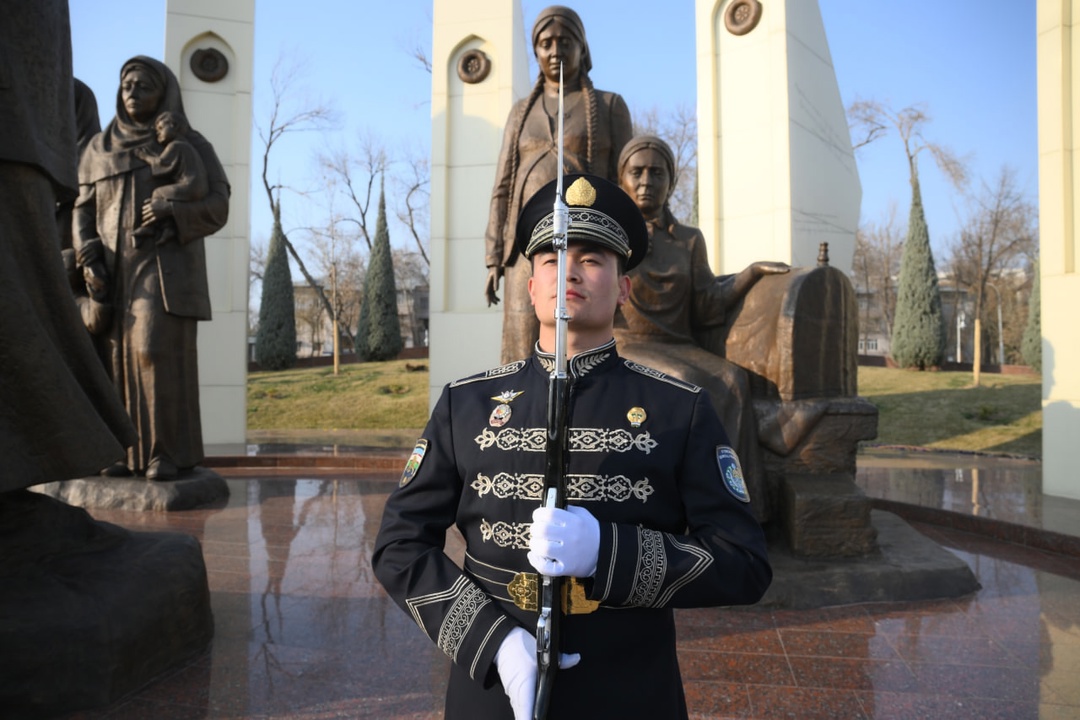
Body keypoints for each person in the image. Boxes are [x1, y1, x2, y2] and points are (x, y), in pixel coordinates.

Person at [374, 173, 772, 720]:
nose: (569, 271)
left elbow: (744, 562)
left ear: (623, 288)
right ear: (531, 285)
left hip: (628, 690)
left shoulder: (681, 410)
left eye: (592, 259)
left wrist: (608, 553)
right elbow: (398, 546)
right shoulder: (464, 405)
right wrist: (493, 645)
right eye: (551, 259)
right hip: (493, 691)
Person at [614, 135, 790, 520]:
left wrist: (751, 273)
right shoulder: (612, 234)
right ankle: (693, 508)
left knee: (731, 380)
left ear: (671, 183)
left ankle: (741, 507)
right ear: (621, 179)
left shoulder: (690, 240)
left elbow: (707, 304)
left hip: (678, 342)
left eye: (657, 173)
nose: (647, 181)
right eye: (637, 172)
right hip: (626, 343)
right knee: (689, 383)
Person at [0, 0, 135, 492]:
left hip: (51, 230)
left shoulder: (73, 104)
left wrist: (82, 253)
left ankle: (91, 447)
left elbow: (81, 175)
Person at [74, 56, 230, 481]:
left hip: (163, 270)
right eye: (127, 85)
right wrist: (87, 252)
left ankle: (166, 453)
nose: (132, 92)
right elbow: (81, 210)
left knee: (152, 352)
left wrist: (172, 207)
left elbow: (218, 206)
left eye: (144, 85)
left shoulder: (187, 144)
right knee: (112, 360)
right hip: (110, 273)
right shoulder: (96, 150)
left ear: (164, 94)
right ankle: (122, 452)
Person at [484, 5, 632, 364]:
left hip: (587, 239)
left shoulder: (609, 106)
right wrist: (492, 258)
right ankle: (519, 414)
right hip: (526, 246)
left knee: (585, 337)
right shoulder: (521, 112)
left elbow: (624, 182)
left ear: (582, 48)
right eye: (546, 43)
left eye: (565, 42)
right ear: (536, 51)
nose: (555, 51)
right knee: (521, 338)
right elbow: (503, 186)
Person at [131, 110, 209, 247]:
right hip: (198, 186)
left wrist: (143, 156)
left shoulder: (176, 145)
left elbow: (161, 164)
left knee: (158, 193)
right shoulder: (186, 146)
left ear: (173, 126)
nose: (158, 133)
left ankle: (149, 226)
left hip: (190, 185)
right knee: (164, 196)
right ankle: (169, 228)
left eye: (161, 128)